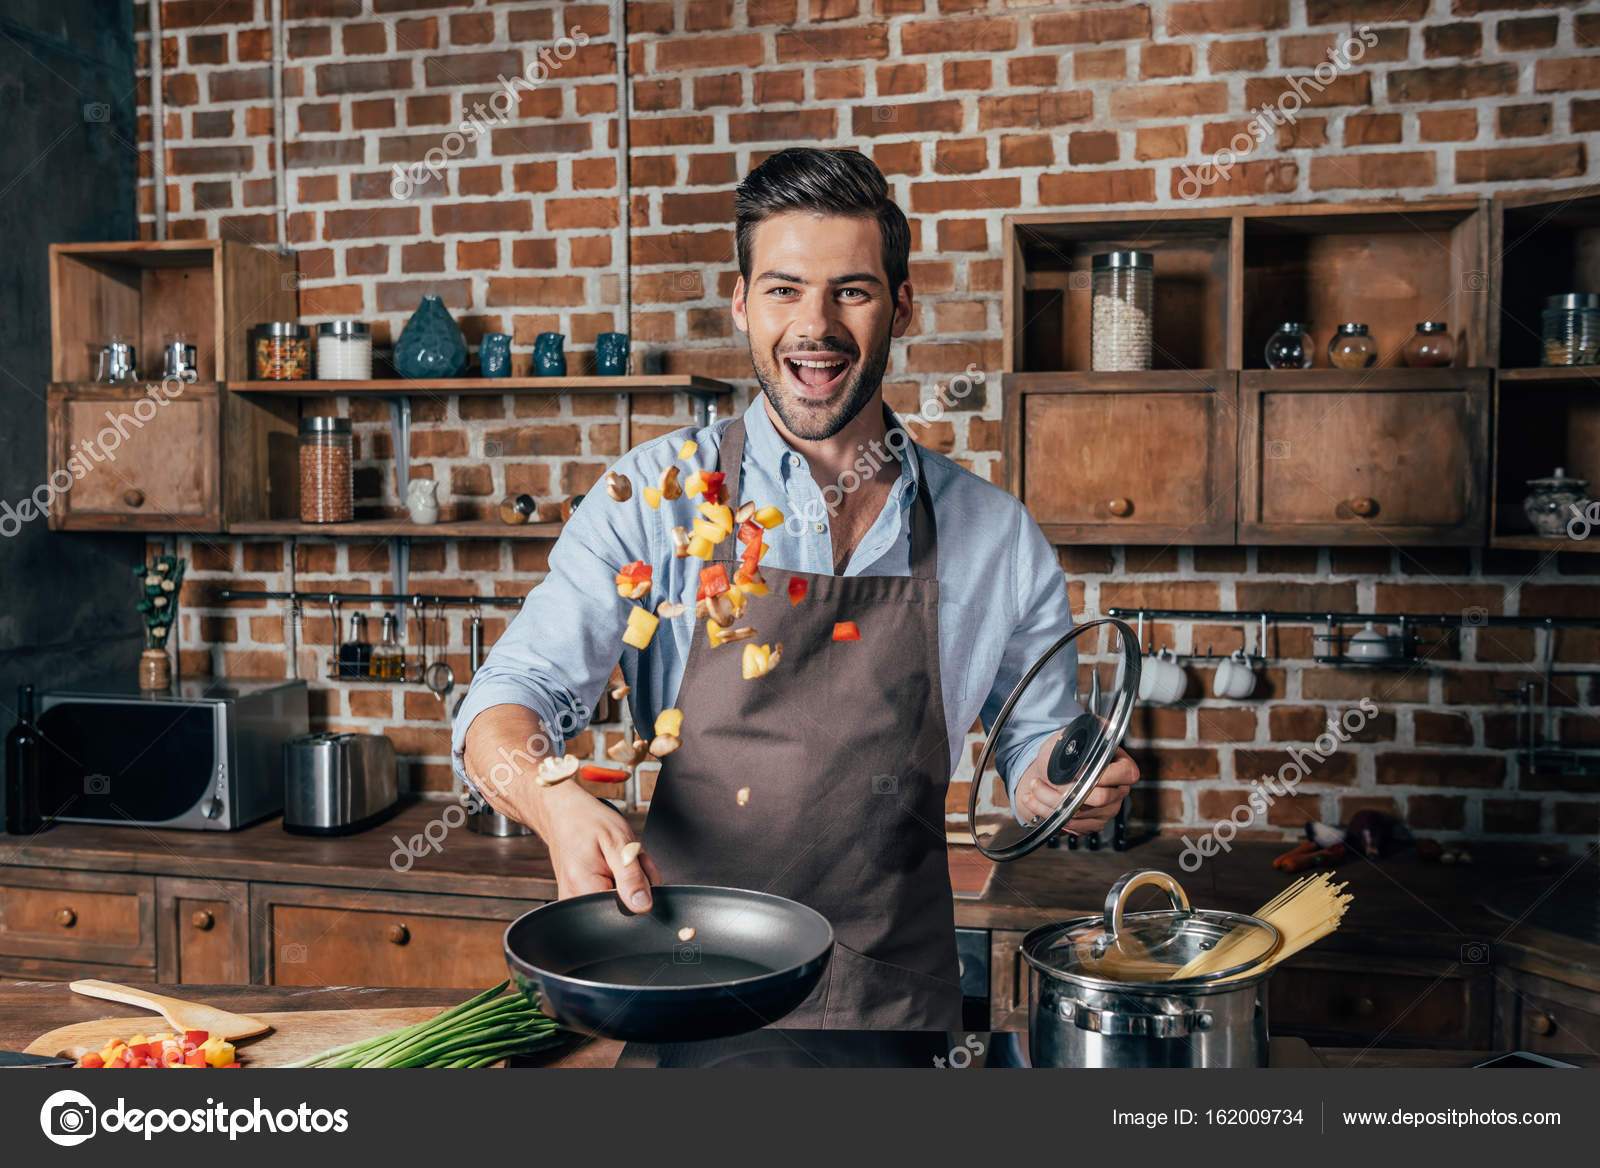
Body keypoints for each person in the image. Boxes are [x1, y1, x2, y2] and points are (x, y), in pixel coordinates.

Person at [455, 146, 1139, 1029]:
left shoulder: (994, 535)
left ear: (901, 304)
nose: (814, 325)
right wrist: (554, 805)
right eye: (783, 289)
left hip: (891, 1008)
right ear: (741, 302)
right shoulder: (656, 500)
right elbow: (505, 705)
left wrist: (1061, 787)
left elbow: (1035, 754)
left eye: (850, 290)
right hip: (682, 984)